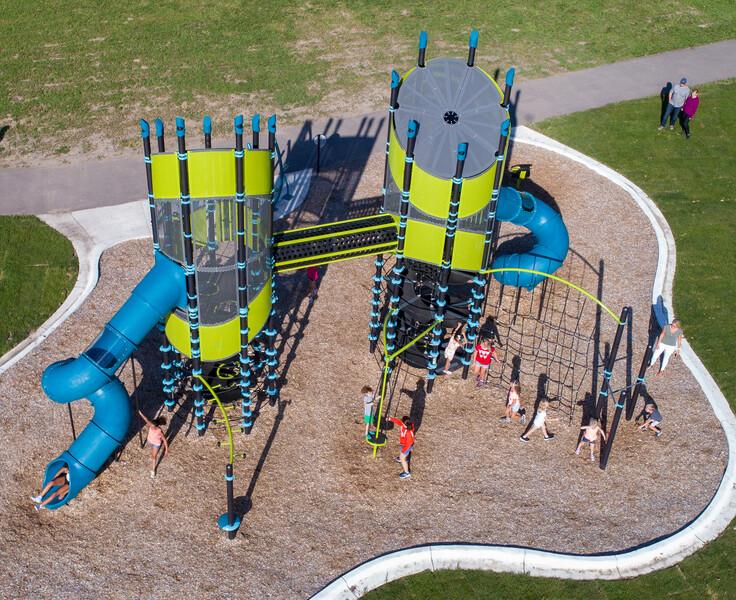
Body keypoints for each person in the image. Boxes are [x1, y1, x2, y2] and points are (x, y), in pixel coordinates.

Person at [139, 410, 169, 478]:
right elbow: (145, 418)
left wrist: (166, 450)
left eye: (152, 426)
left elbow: (164, 440)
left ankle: (153, 470)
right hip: (150, 441)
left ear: (156, 426)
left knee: (153, 457)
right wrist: (140, 413)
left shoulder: (159, 431)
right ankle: (153, 456)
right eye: (151, 425)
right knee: (152, 453)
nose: (151, 427)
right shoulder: (151, 424)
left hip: (156, 444)